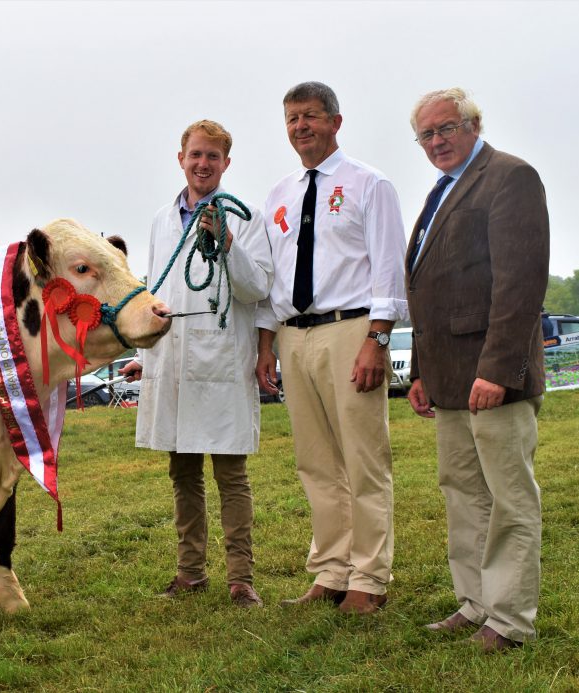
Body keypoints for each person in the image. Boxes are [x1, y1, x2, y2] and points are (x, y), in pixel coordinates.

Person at [254, 82, 407, 615]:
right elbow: (274, 275)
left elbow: (389, 268)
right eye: (293, 119)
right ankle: (331, 570)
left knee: (364, 459)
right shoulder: (278, 195)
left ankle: (369, 577)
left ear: (335, 122)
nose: (301, 127)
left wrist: (377, 339)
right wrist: (267, 343)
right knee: (316, 462)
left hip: (352, 329)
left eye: (312, 116)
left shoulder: (370, 184)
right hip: (295, 334)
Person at [406, 88, 549, 653]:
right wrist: (420, 371)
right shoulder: (442, 191)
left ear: (473, 125)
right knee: (464, 493)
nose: (437, 141)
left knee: (509, 497)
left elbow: (520, 283)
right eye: (426, 135)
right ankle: (475, 603)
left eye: (446, 129)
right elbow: (429, 288)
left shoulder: (510, 177)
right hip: (447, 378)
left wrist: (498, 368)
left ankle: (510, 619)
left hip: (492, 377)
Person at [119, 119, 274, 607]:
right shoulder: (161, 221)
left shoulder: (247, 218)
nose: (202, 164)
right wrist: (147, 354)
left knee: (231, 474)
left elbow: (258, 289)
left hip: (223, 358)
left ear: (226, 163)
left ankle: (240, 577)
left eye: (213, 156)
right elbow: (158, 292)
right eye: (195, 155)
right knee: (182, 472)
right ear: (180, 158)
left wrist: (227, 243)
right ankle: (190, 572)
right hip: (175, 358)